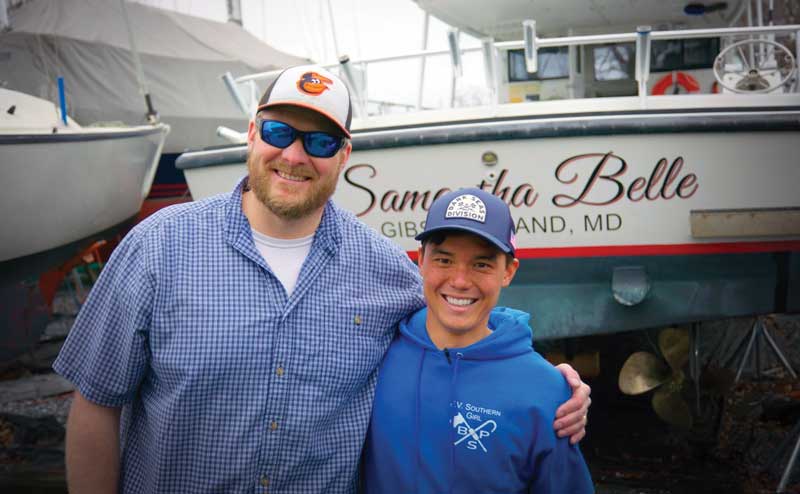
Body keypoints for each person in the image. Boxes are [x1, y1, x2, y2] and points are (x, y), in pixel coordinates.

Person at [53, 65, 590, 493]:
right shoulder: (157, 246)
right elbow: (96, 404)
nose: (293, 155)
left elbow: (459, 312)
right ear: (252, 132)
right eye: (279, 131)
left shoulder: (388, 271)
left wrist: (548, 385)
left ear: (345, 156)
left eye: (320, 142)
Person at [363, 188, 593, 493]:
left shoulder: (546, 391)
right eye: (444, 260)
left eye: (481, 264)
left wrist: (557, 388)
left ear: (508, 271)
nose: (459, 281)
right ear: (421, 261)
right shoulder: (375, 351)